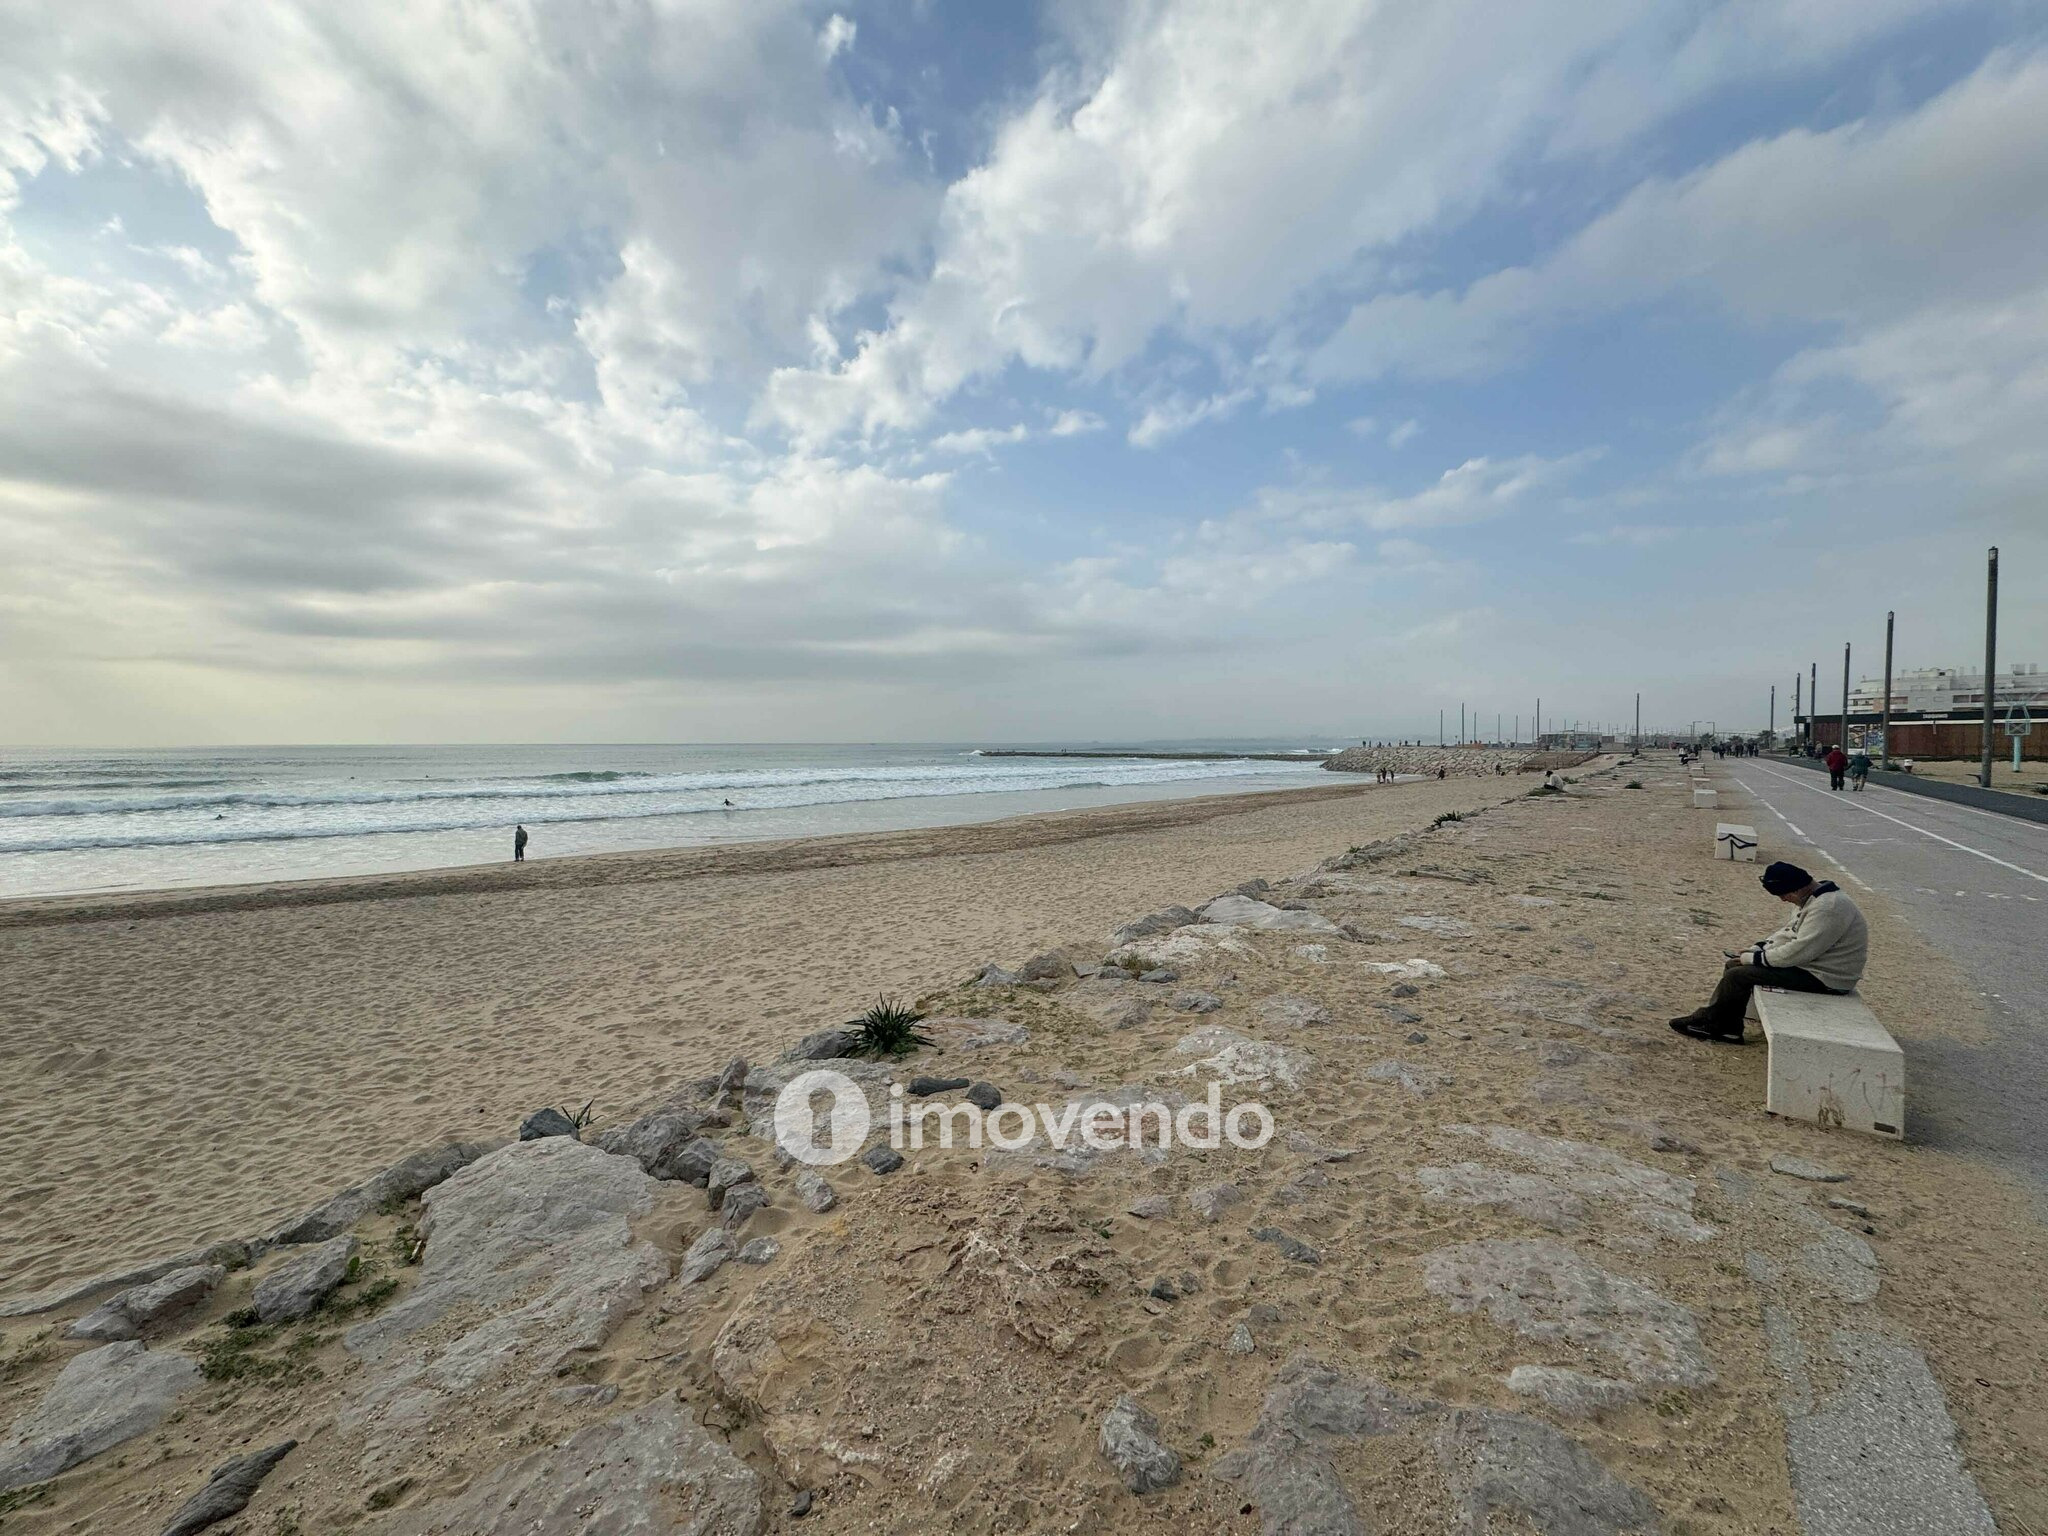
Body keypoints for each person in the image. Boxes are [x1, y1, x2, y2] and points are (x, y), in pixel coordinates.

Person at [1668, 862, 1868, 1042]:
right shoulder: (1813, 898)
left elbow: (1799, 952)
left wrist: (1754, 959)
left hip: (1828, 977)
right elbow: (1790, 932)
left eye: (1784, 895)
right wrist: (1759, 948)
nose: (1783, 900)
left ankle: (1722, 1026)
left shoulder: (1828, 908)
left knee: (1739, 975)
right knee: (1733, 965)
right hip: (1813, 965)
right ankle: (1721, 1021)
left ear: (1797, 889)